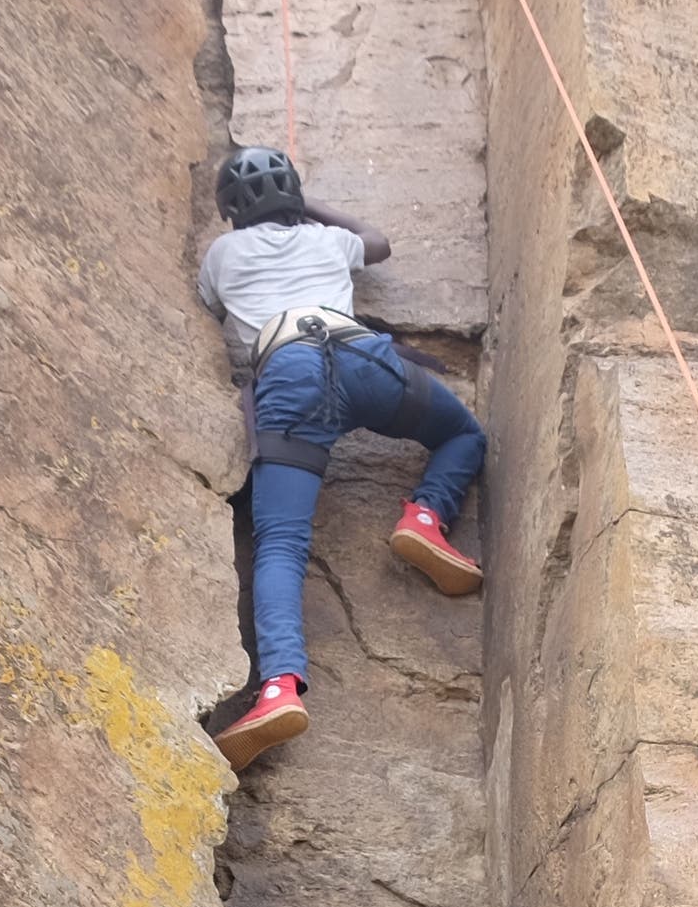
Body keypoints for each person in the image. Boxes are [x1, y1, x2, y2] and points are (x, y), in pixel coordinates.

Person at [198, 144, 486, 770]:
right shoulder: (327, 241)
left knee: (278, 544)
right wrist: (312, 210)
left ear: (228, 210)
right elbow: (377, 242)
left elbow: (209, 307)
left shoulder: (221, 254)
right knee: (464, 433)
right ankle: (427, 518)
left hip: (288, 373)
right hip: (363, 356)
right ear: (294, 194)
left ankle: (279, 687)